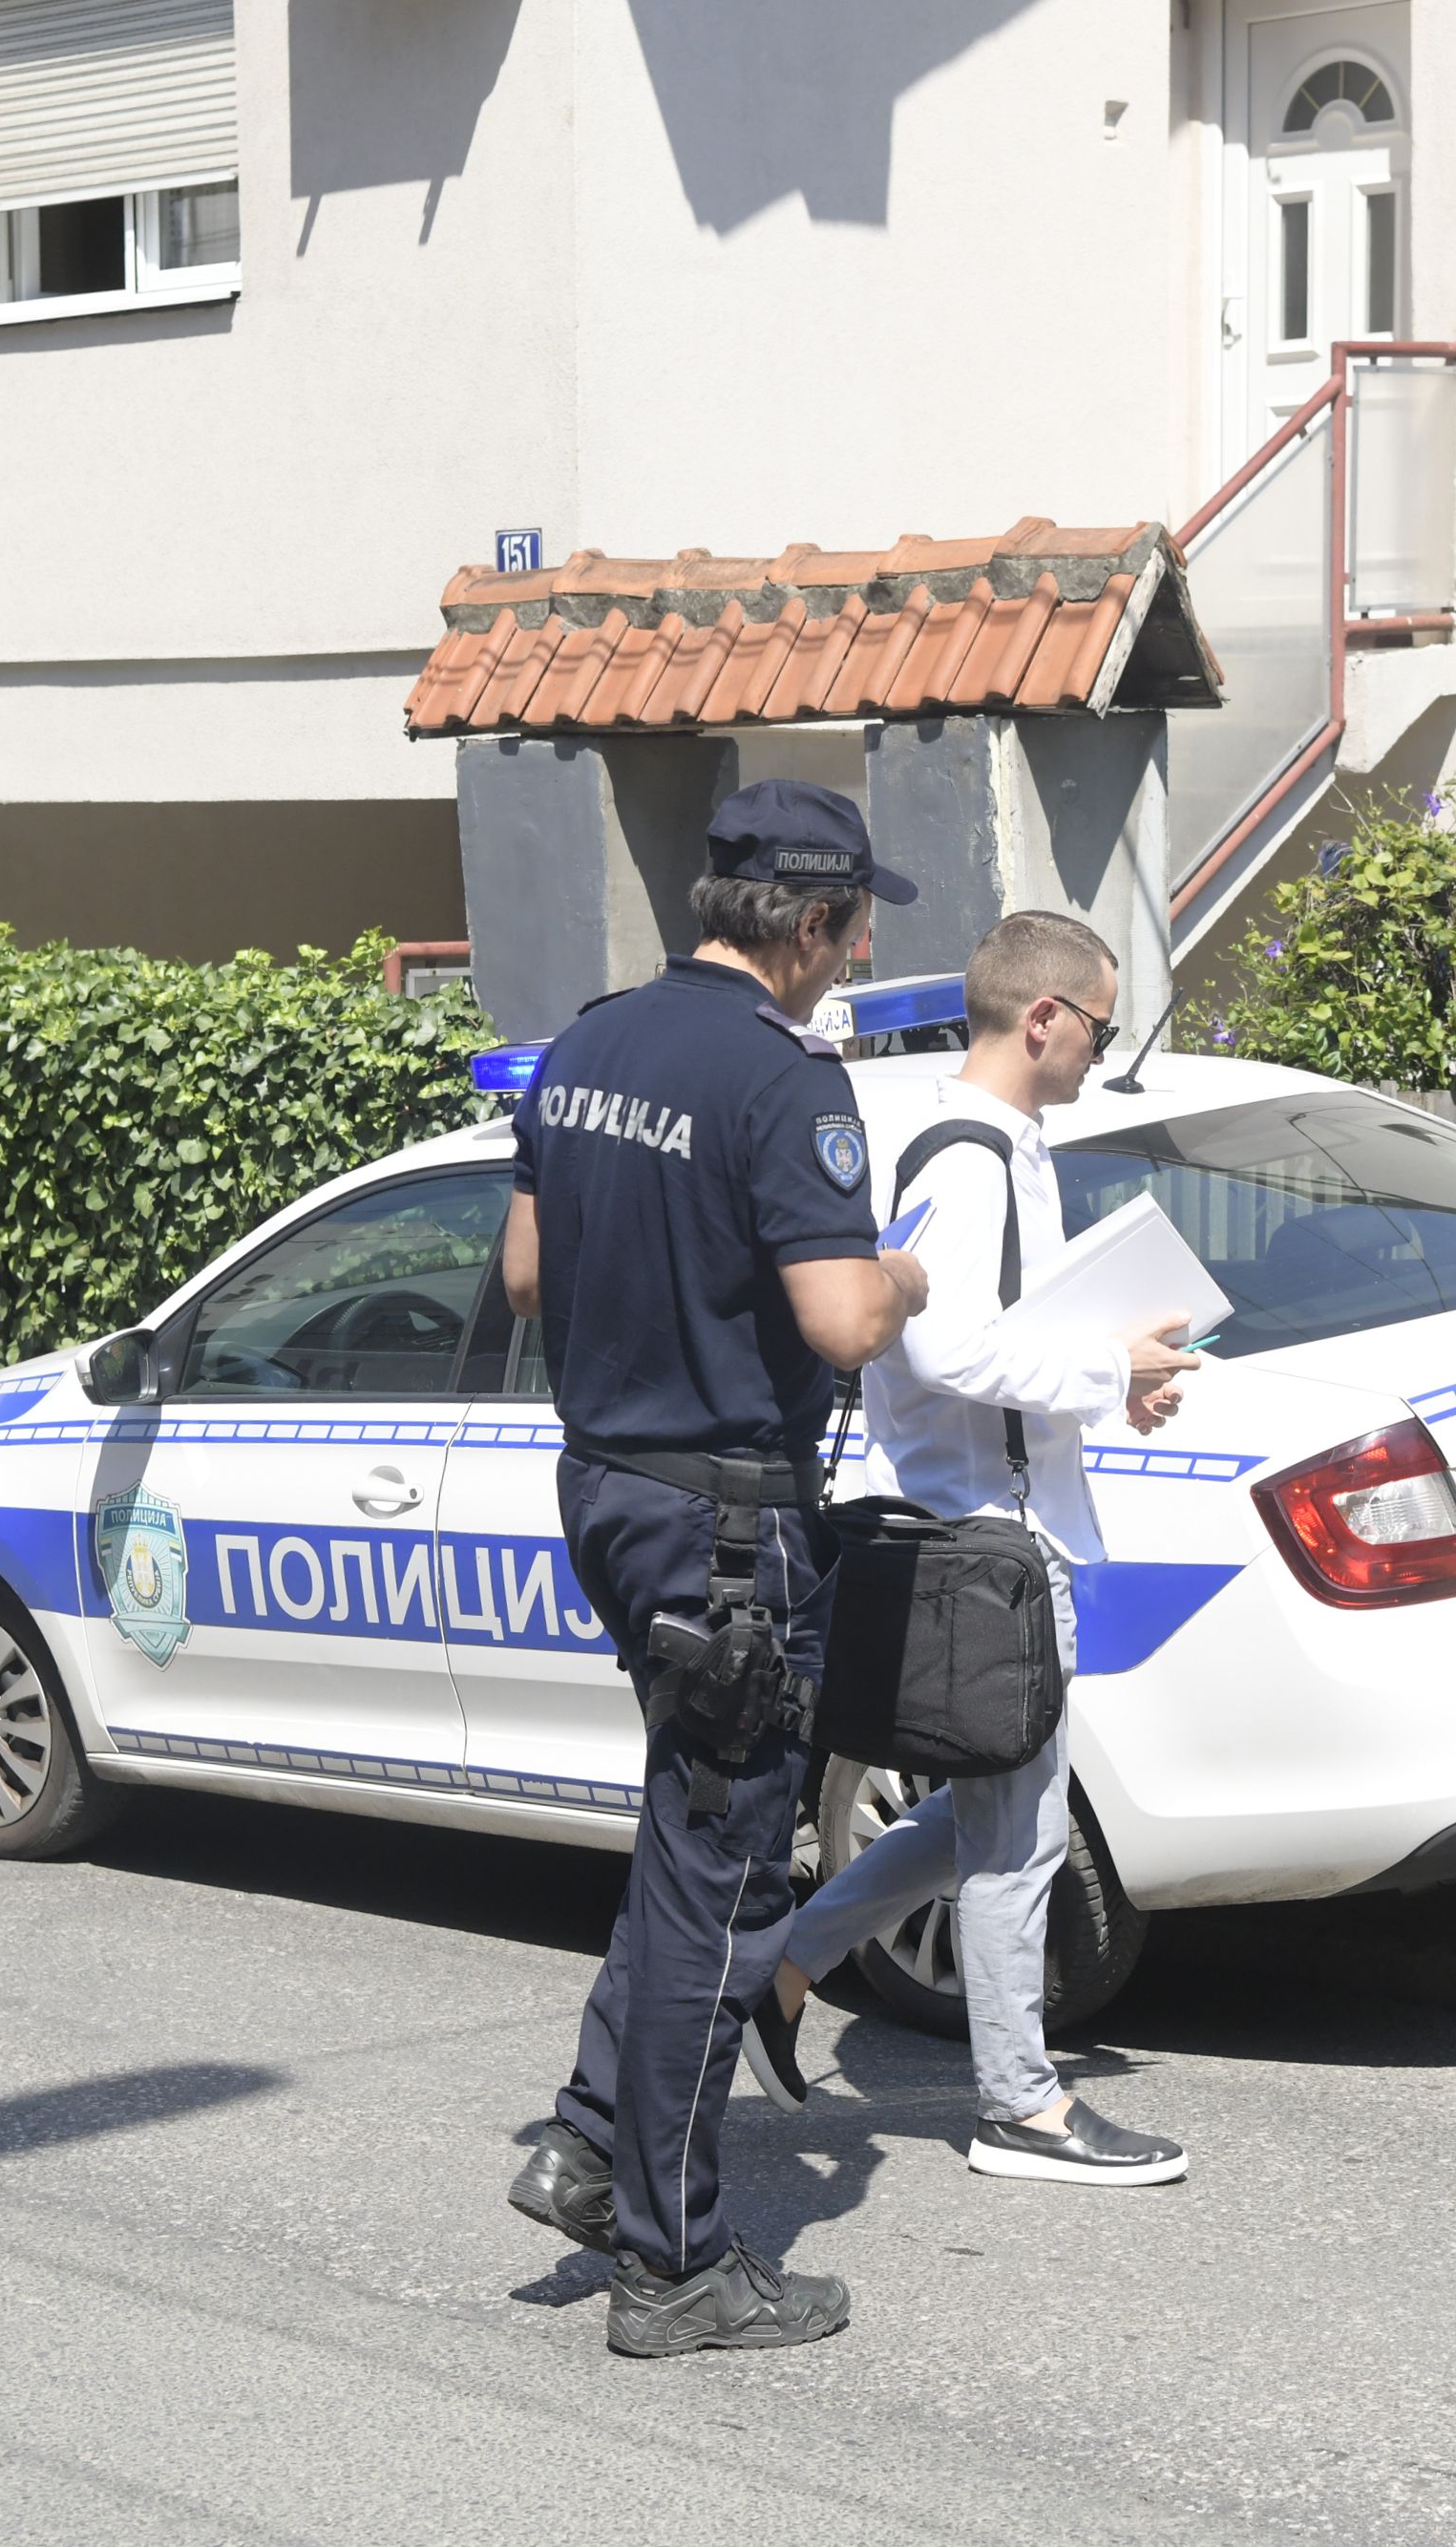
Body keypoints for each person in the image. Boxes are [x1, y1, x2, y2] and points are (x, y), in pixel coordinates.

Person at [498, 779, 929, 2358]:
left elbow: (528, 1275)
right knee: (730, 1884)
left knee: (687, 1840)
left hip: (610, 1498)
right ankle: (674, 2264)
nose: (863, 945)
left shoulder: (589, 1042)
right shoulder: (783, 1086)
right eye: (857, 921)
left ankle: (586, 2143)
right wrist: (906, 1276)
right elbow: (837, 1323)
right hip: (732, 1532)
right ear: (808, 929)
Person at [748, 910, 1196, 2185]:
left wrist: (1114, 1385)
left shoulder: (1000, 1146)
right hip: (985, 1546)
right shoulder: (972, 1155)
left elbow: (995, 1348)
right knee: (1018, 1837)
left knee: (999, 1813)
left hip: (999, 1528)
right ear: (1042, 1018)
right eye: (1097, 1029)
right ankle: (1021, 2110)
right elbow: (937, 1347)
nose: (1098, 1057)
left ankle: (782, 1970)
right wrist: (1106, 1364)